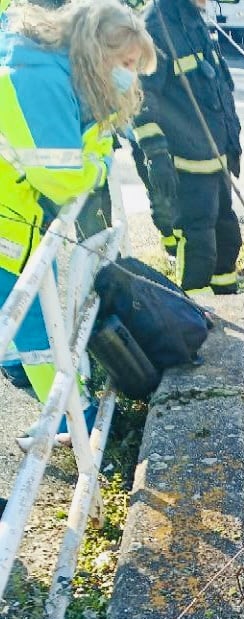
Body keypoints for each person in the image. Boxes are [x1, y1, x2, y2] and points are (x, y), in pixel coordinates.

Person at [0, 0, 156, 449]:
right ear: (96, 52)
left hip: (17, 221)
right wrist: (97, 164)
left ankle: (71, 416)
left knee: (33, 328)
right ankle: (79, 424)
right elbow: (64, 176)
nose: (129, 74)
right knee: (33, 331)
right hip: (10, 227)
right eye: (125, 63)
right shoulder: (40, 80)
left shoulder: (48, 70)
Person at [132, 0, 242, 295]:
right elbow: (142, 96)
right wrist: (156, 154)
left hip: (215, 159)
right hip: (188, 165)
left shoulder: (190, 18)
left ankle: (226, 304)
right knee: (198, 246)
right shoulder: (157, 26)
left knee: (227, 238)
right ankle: (197, 314)